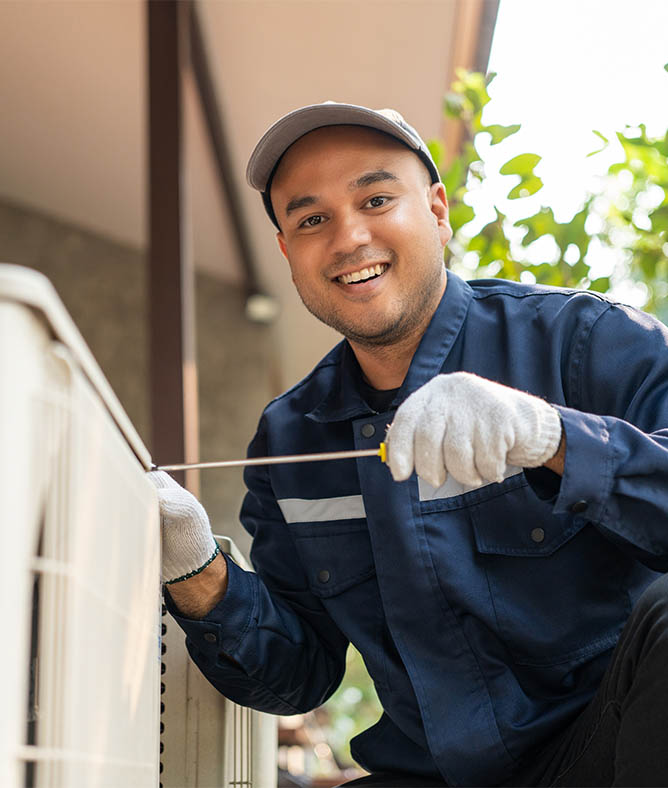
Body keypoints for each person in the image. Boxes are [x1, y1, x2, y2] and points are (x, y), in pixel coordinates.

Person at [150, 102, 668, 787]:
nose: (348, 237)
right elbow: (296, 676)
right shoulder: (289, 439)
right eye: (311, 219)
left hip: (603, 752)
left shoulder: (582, 342)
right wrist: (196, 571)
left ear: (437, 208)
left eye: (376, 198)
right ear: (287, 251)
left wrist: (553, 436)